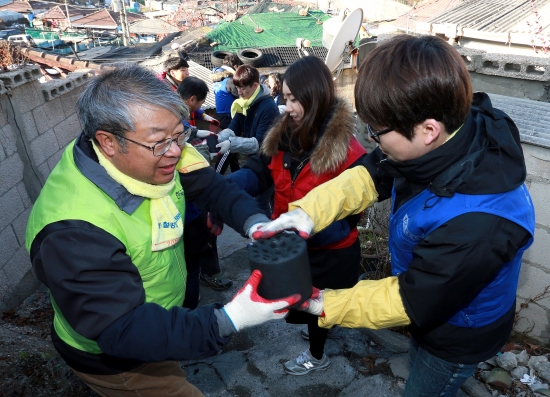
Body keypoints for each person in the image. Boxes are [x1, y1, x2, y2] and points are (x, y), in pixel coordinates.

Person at [252, 35, 536, 395]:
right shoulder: (448, 132)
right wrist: (306, 214)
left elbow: (411, 298)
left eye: (377, 131)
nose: (372, 140)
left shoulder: (480, 226)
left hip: (457, 332)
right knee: (420, 356)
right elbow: (369, 175)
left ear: (427, 130)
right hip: (432, 306)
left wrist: (319, 303)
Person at [25, 65, 301, 397]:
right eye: (161, 142)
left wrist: (255, 223)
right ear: (108, 142)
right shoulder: (72, 230)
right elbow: (122, 329)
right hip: (118, 360)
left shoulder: (156, 148)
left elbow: (215, 189)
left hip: (161, 321)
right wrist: (229, 319)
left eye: (179, 134)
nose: (175, 150)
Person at [228, 56, 366, 375]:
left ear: (315, 97)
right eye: (284, 98)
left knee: (319, 308)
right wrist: (222, 190)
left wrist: (298, 232)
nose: (286, 107)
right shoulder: (284, 135)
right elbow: (259, 172)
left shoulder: (350, 153)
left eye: (293, 99)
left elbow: (348, 218)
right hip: (293, 247)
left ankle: (317, 357)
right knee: (301, 303)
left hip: (331, 252)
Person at [176, 76, 233, 297]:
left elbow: (187, 131)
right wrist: (210, 151)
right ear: (191, 99)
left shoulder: (170, 106)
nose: (199, 108)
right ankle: (199, 284)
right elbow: (182, 146)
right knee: (201, 238)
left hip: (187, 193)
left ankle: (205, 274)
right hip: (187, 194)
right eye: (199, 103)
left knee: (203, 236)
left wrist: (202, 132)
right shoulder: (172, 114)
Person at [210, 53, 243, 174]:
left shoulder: (218, 78)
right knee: (230, 145)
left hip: (222, 115)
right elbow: (240, 97)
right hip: (230, 116)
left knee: (232, 144)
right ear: (235, 66)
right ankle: (217, 174)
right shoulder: (230, 80)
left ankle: (236, 170)